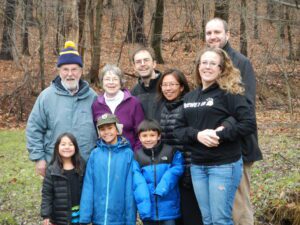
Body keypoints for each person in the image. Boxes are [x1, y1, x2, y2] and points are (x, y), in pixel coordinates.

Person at [174, 48, 256, 225]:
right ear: (198, 67)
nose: (207, 67)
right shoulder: (189, 97)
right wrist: (197, 135)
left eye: (213, 63)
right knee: (208, 219)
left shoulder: (230, 93)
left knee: (220, 219)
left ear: (221, 68)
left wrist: (220, 134)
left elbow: (248, 123)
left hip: (224, 165)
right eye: (204, 63)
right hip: (198, 166)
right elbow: (178, 130)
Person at [205, 18, 263, 225]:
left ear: (228, 35)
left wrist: (222, 128)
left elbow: (246, 106)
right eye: (209, 32)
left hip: (239, 145)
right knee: (219, 208)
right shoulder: (206, 63)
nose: (213, 36)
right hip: (211, 148)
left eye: (217, 32)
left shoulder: (241, 62)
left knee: (239, 206)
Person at [26, 41, 97, 177]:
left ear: (81, 71)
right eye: (65, 69)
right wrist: (39, 158)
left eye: (74, 69)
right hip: (54, 164)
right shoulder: (46, 97)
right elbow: (34, 128)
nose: (70, 74)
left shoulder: (92, 97)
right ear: (59, 71)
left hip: (86, 166)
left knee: (83, 199)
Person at [157, 69, 203, 225]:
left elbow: (192, 140)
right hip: (173, 171)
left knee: (191, 216)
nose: (168, 88)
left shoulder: (189, 106)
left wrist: (188, 175)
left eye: (172, 84)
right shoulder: (165, 107)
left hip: (189, 171)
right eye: (164, 85)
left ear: (182, 87)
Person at [80, 113, 136, 225]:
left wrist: (130, 220)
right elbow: (88, 185)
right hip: (98, 217)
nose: (106, 132)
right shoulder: (95, 154)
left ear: (117, 129)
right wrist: (85, 216)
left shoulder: (128, 154)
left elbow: (129, 189)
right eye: (102, 129)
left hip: (119, 217)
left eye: (110, 128)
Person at [133, 119, 184, 225]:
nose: (148, 139)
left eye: (152, 135)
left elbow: (176, 170)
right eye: (144, 135)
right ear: (139, 137)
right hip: (148, 210)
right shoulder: (137, 156)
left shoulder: (171, 152)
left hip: (169, 208)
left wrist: (162, 188)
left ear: (159, 136)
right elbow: (138, 182)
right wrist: (144, 209)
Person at [92, 64, 144, 151]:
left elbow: (141, 133)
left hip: (129, 156)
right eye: (107, 79)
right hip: (106, 156)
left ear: (121, 82)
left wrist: (134, 156)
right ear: (102, 82)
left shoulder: (133, 103)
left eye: (115, 79)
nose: (111, 82)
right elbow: (96, 134)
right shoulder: (96, 105)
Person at [41, 132, 85, 225]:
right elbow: (47, 194)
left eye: (70, 144)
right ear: (57, 147)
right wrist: (46, 214)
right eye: (63, 144)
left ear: (75, 147)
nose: (67, 147)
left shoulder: (82, 165)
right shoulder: (52, 169)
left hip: (80, 213)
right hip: (59, 216)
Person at [131, 46, 164, 121]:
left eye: (146, 60)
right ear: (134, 67)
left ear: (154, 64)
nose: (142, 64)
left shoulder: (167, 86)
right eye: (138, 62)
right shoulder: (133, 93)